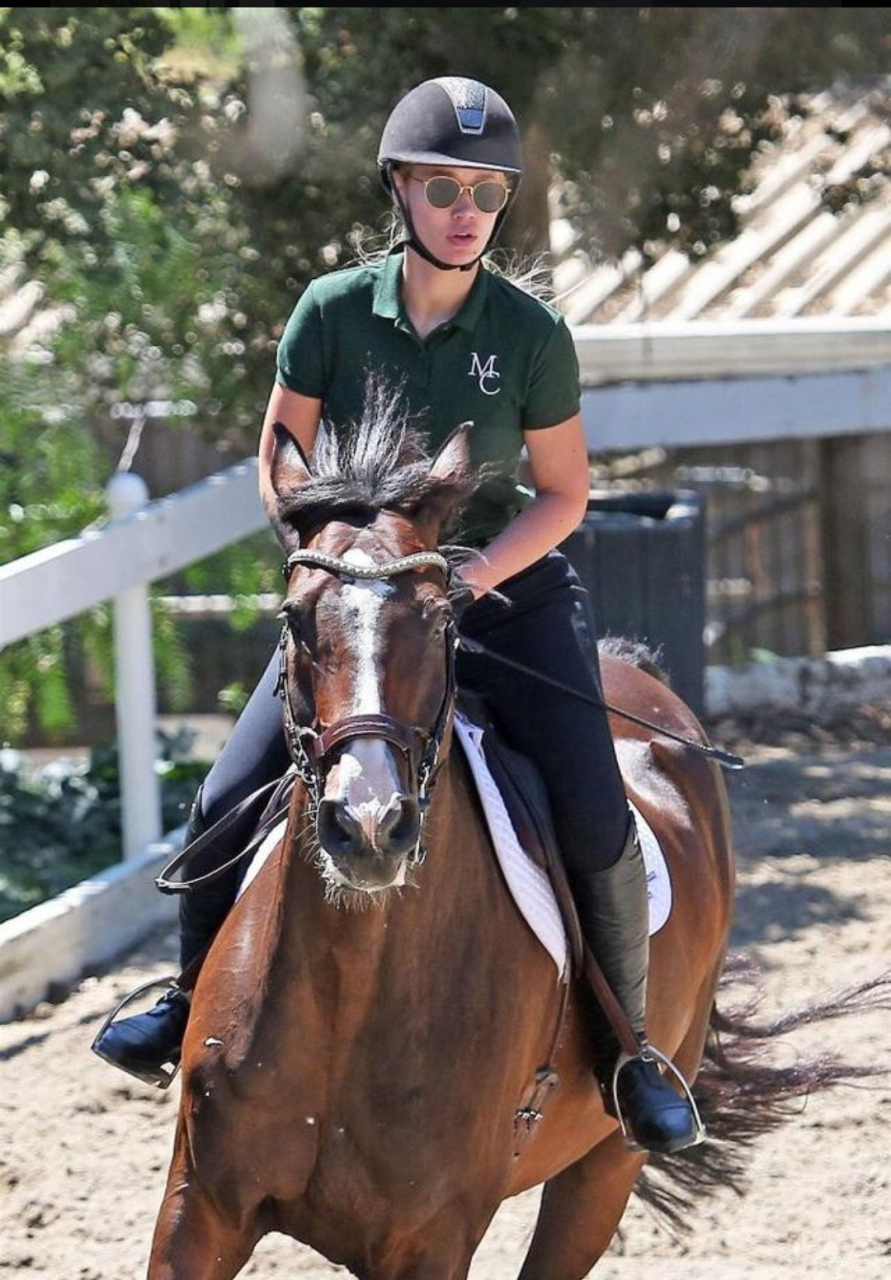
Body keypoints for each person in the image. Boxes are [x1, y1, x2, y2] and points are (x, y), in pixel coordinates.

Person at [93, 75, 699, 1155]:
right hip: (359, 611)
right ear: (400, 191)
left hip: (500, 598)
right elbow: (277, 462)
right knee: (226, 796)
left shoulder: (531, 332)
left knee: (598, 817)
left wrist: (460, 580)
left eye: (488, 191)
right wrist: (335, 572)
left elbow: (564, 495)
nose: (468, 208)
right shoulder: (330, 311)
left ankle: (630, 1051)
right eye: (444, 186)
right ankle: (185, 1002)